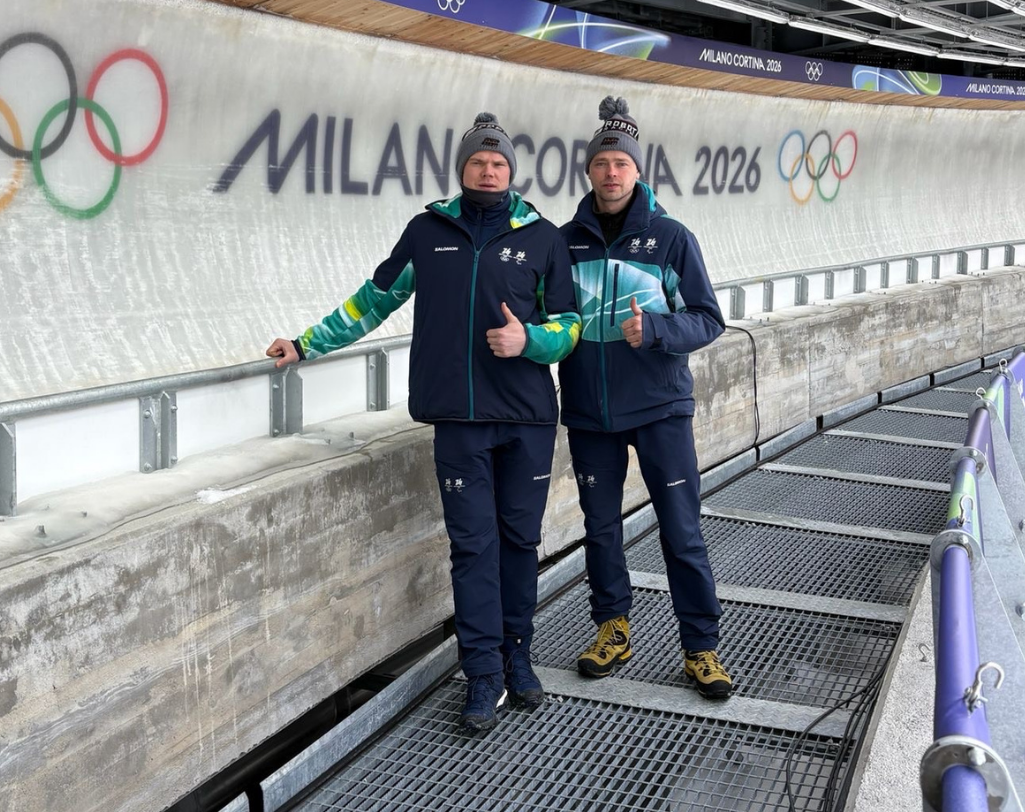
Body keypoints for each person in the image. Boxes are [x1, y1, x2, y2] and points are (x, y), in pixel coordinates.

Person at [266, 112, 581, 732]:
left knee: (519, 543)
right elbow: (373, 300)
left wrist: (529, 342)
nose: (488, 171)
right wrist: (307, 344)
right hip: (457, 420)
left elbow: (569, 327)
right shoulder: (427, 231)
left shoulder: (543, 237)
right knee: (472, 547)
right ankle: (482, 672)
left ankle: (518, 655)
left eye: (498, 164)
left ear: (511, 173)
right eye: (477, 162)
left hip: (526, 419)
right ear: (462, 170)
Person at [556, 96, 732, 699]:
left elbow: (709, 319)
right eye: (602, 162)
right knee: (601, 529)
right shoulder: (564, 244)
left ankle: (701, 648)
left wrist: (654, 330)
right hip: (589, 414)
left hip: (659, 410)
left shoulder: (670, 239)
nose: (611, 172)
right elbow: (549, 322)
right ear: (589, 171)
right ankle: (613, 628)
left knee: (681, 530)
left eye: (621, 163)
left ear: (637, 171)